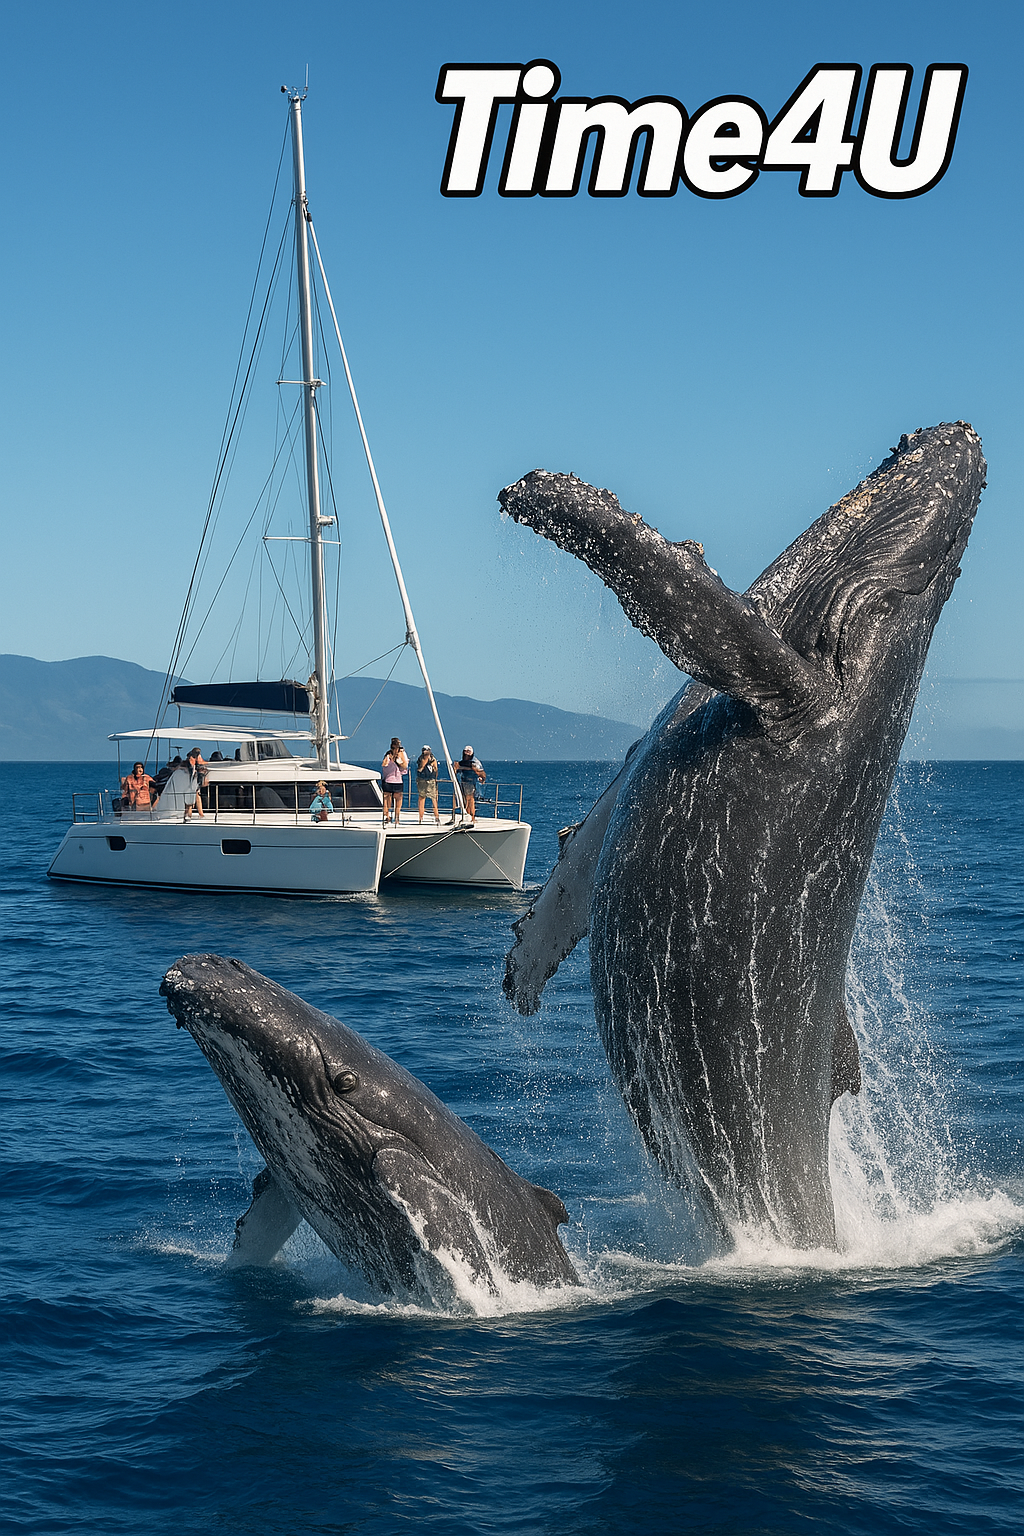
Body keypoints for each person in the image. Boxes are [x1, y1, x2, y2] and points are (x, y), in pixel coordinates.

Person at [454, 745, 485, 825]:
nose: (466, 754)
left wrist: (481, 778)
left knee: (470, 800)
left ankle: (472, 817)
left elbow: (479, 771)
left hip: (472, 783)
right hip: (464, 782)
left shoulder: (475, 762)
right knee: (464, 801)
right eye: (465, 752)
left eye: (468, 752)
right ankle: (468, 815)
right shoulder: (463, 762)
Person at [380, 738, 409, 826]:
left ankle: (395, 817)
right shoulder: (389, 754)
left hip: (396, 779)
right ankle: (388, 816)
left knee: (396, 799)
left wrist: (398, 761)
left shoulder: (401, 754)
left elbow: (404, 766)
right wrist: (389, 758)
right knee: (388, 798)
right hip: (390, 779)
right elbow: (384, 764)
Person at [416, 746, 440, 826]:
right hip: (422, 780)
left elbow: (436, 769)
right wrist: (424, 762)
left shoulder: (433, 759)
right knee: (422, 797)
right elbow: (420, 768)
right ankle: (421, 817)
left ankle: (436, 816)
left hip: (431, 780)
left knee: (433, 798)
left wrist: (435, 778)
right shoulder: (420, 759)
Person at [184, 747, 208, 819]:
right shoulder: (191, 759)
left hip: (193, 780)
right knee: (193, 797)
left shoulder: (190, 759)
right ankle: (190, 814)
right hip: (191, 780)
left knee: (195, 796)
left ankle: (191, 814)